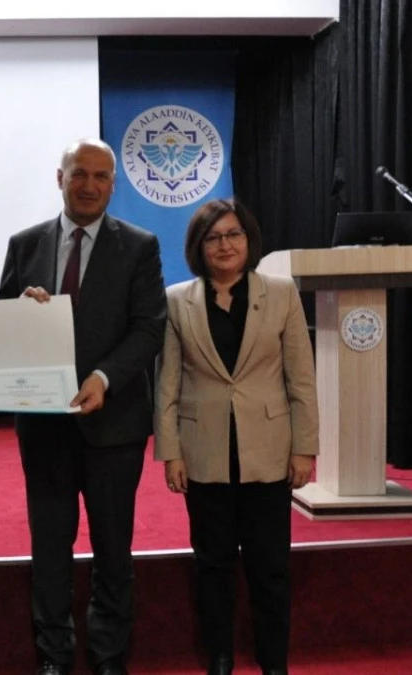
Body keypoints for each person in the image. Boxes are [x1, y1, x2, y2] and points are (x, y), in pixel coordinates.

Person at [0, 139, 166, 675]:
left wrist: (103, 378)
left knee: (113, 548)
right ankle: (54, 655)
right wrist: (19, 310)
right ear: (60, 178)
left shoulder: (139, 246)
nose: (89, 185)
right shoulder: (24, 244)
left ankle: (109, 656)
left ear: (113, 184)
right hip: (43, 425)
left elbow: (149, 328)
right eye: (79, 174)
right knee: (50, 547)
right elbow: (0, 323)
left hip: (114, 425)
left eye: (100, 176)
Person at [154, 198, 319, 675]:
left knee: (270, 566)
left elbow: (301, 378)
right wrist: (170, 452)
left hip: (268, 450)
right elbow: (167, 382)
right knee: (213, 564)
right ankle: (220, 657)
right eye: (213, 237)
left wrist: (304, 448)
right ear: (198, 246)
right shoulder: (176, 300)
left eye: (234, 234)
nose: (225, 245)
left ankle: (274, 662)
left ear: (249, 240)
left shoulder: (281, 293)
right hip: (203, 452)